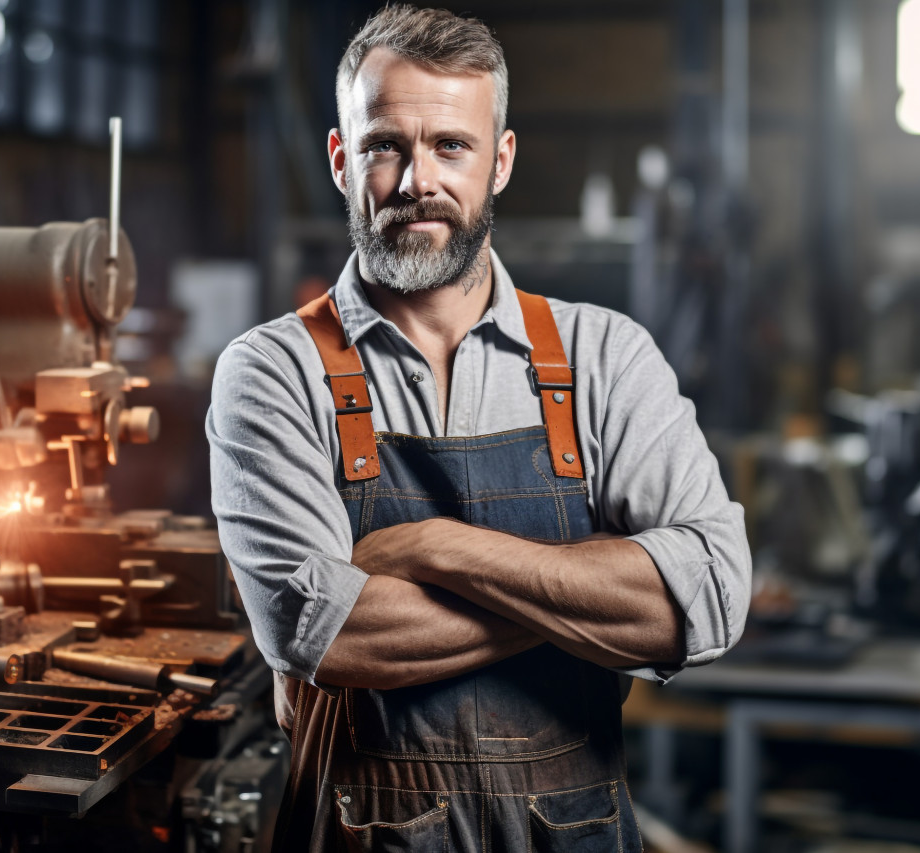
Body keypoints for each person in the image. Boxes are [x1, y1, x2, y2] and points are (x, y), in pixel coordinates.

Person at [207, 6, 750, 851]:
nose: (418, 179)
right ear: (342, 159)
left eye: (451, 146)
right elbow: (319, 627)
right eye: (387, 144)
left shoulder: (605, 355)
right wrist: (597, 601)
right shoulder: (273, 370)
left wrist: (431, 550)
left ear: (499, 162)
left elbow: (709, 599)